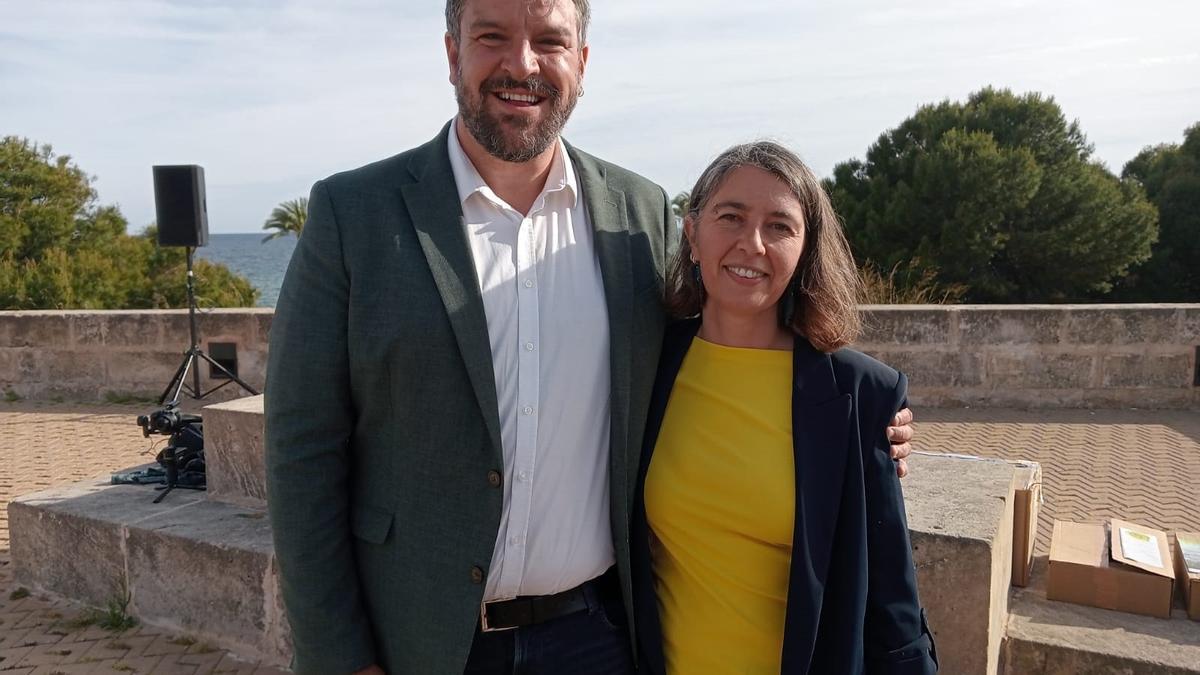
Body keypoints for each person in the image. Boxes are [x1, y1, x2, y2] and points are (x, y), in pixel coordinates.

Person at [265, 1, 915, 673]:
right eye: (493, 36)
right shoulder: (354, 215)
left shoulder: (638, 217)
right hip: (418, 642)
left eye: (550, 40)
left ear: (581, 61)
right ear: (452, 50)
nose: (523, 63)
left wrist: (861, 422)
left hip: (599, 639)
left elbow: (722, 344)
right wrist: (339, 657)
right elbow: (302, 448)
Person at [632, 142, 938, 674]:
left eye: (780, 226)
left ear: (803, 251)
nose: (752, 243)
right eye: (731, 216)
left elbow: (892, 599)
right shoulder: (643, 367)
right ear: (692, 233)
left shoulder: (860, 395)